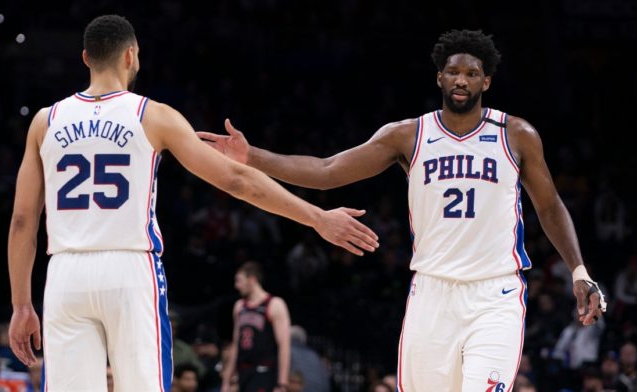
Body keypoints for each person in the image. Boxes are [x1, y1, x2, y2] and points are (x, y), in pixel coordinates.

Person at [198, 29, 608, 391]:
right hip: (430, 291)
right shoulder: (408, 135)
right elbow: (327, 170)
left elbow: (550, 205)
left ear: (487, 80)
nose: (461, 80)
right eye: (453, 71)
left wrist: (579, 271)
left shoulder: (515, 134)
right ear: (439, 77)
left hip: (494, 294)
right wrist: (252, 156)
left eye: (471, 73)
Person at [7, 14, 379, 392]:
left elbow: (23, 221)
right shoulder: (153, 115)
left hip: (65, 273)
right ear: (131, 56)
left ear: (85, 58)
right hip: (129, 269)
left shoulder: (45, 121)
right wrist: (317, 217)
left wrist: (21, 305)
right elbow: (235, 180)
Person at [222, 262, 290, 392]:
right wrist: (226, 380)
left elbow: (284, 346)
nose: (237, 286)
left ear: (252, 280)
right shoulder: (239, 306)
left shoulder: (275, 304)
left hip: (264, 370)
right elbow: (236, 344)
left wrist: (282, 383)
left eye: (239, 281)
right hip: (243, 371)